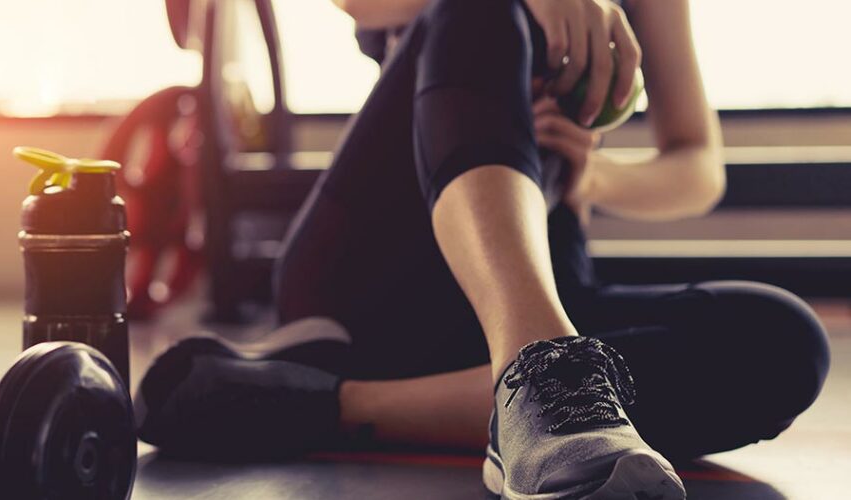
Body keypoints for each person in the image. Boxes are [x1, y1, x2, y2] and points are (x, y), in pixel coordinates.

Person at [135, 0, 831, 498]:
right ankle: (544, 383)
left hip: (546, 279)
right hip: (372, 275)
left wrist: (598, 174)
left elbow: (698, 167)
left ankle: (330, 401)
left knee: (784, 340)